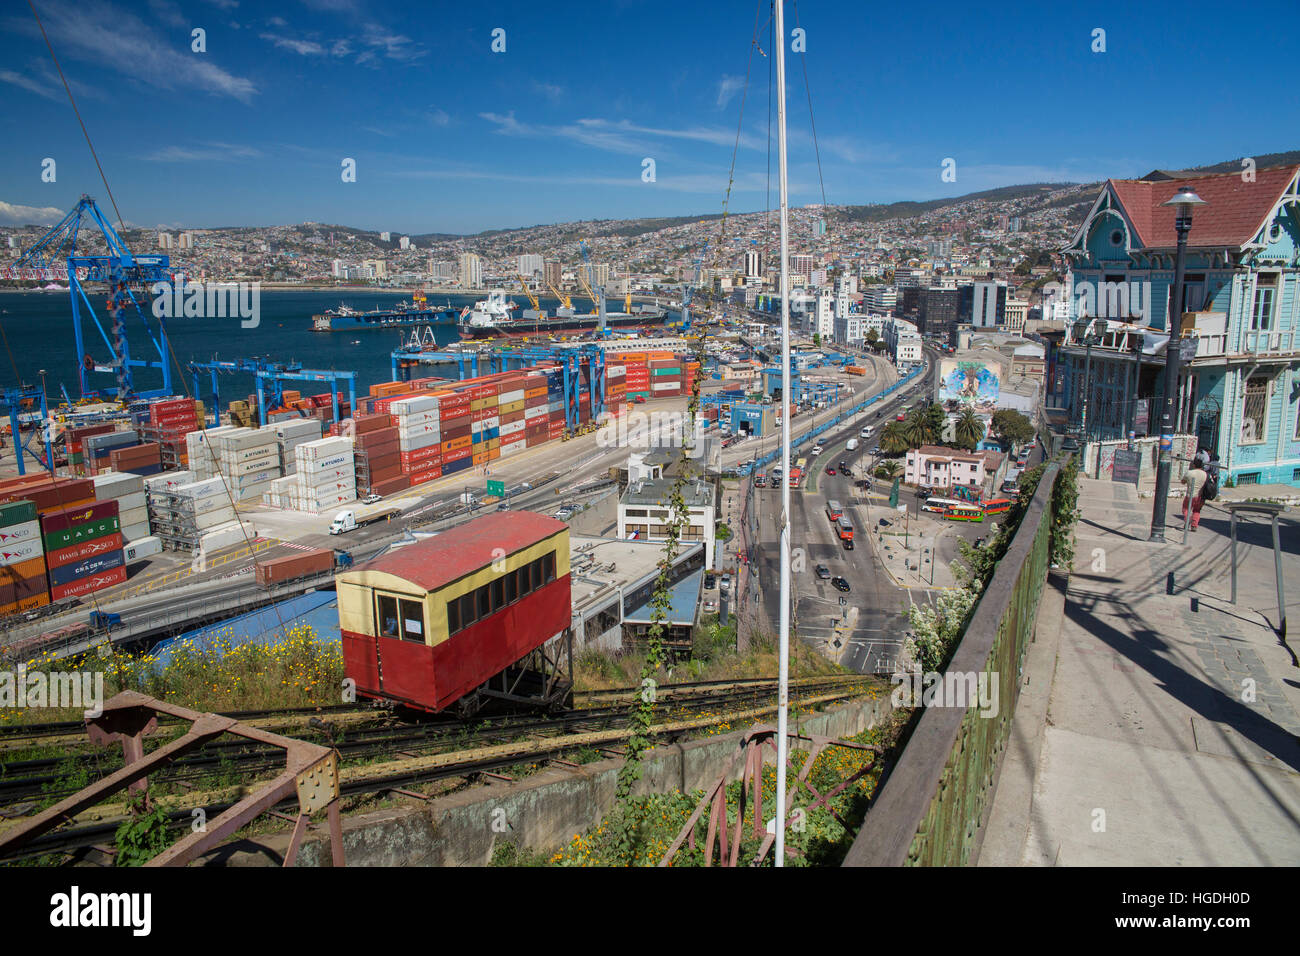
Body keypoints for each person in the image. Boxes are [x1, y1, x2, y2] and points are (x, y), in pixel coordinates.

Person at [1181, 460, 1208, 530]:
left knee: (1186, 509)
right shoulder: (1205, 474)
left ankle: (1187, 521)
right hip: (1200, 496)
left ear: (1194, 465)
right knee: (1197, 510)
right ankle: (1194, 525)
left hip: (1190, 495)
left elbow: (1183, 482)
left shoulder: (1189, 473)